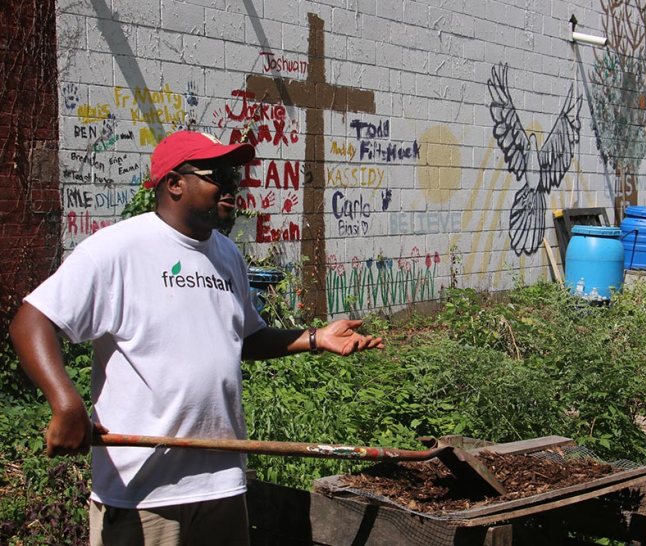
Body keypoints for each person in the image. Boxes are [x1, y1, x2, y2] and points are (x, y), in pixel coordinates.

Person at [9, 130, 384, 545]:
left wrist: (315, 337)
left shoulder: (227, 255)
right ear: (174, 183)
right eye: (218, 174)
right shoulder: (118, 249)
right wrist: (66, 403)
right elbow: (32, 321)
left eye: (235, 176)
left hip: (221, 483)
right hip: (144, 492)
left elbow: (245, 338)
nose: (232, 186)